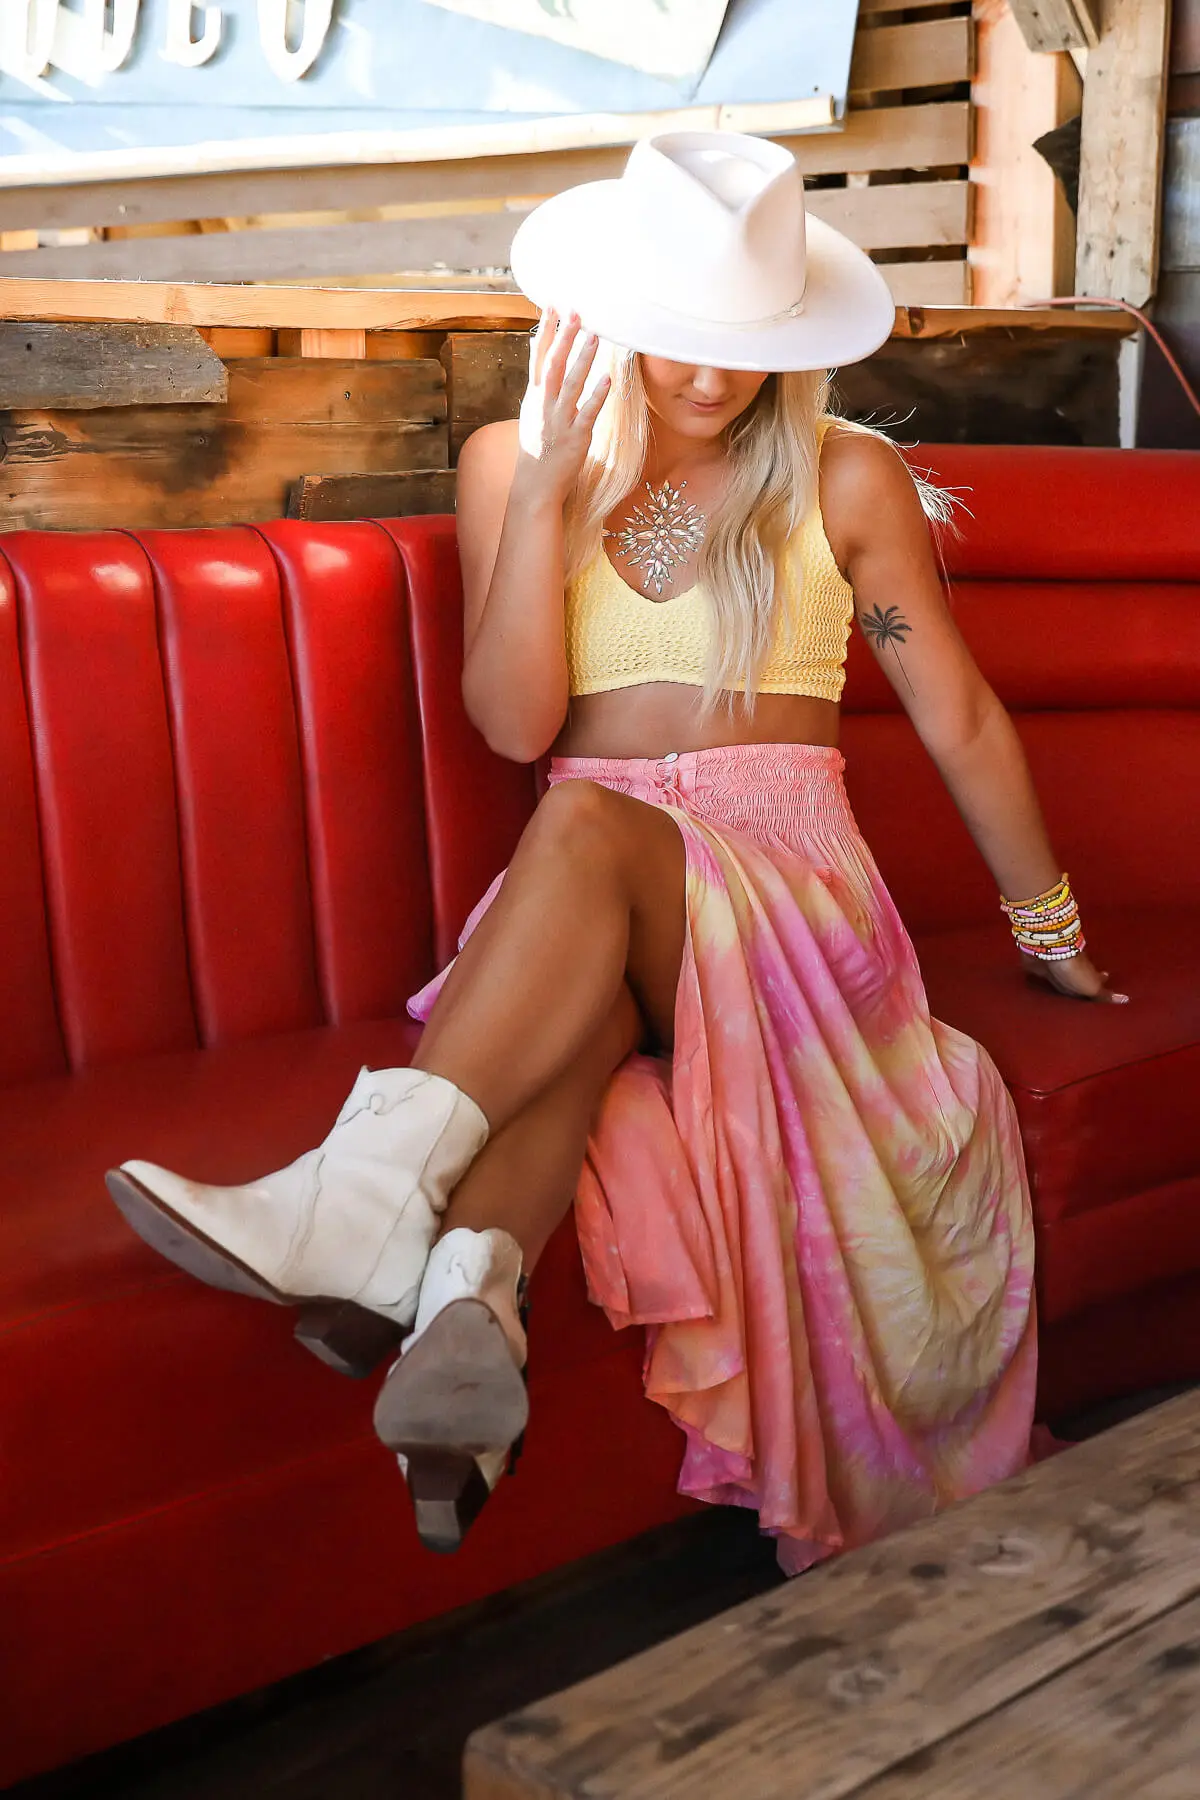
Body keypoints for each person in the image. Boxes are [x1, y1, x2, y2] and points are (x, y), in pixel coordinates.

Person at [105, 131, 1122, 1571]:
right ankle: (467, 1315)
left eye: (744, 343)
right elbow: (516, 726)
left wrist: (1048, 928)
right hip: (588, 901)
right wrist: (544, 495)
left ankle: (363, 1201)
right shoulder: (511, 464)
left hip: (783, 900)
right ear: (610, 316)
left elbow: (954, 712)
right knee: (574, 950)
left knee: (578, 831)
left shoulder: (845, 479)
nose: (709, 378)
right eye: (679, 336)